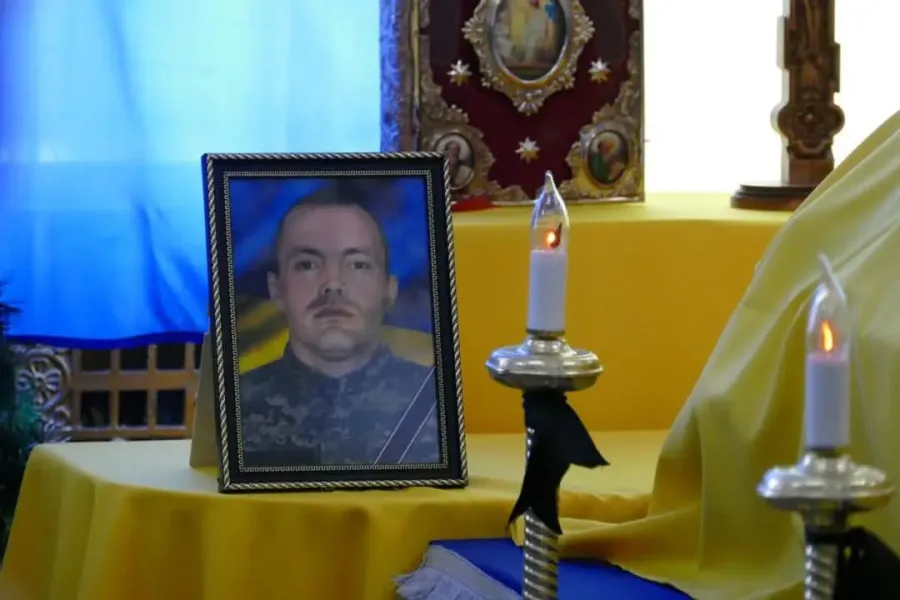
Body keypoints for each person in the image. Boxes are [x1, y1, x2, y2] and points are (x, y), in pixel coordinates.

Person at [239, 181, 440, 467]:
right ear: (276, 290)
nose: (332, 284)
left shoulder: (433, 399)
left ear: (389, 289)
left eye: (357, 264)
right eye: (307, 265)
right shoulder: (237, 405)